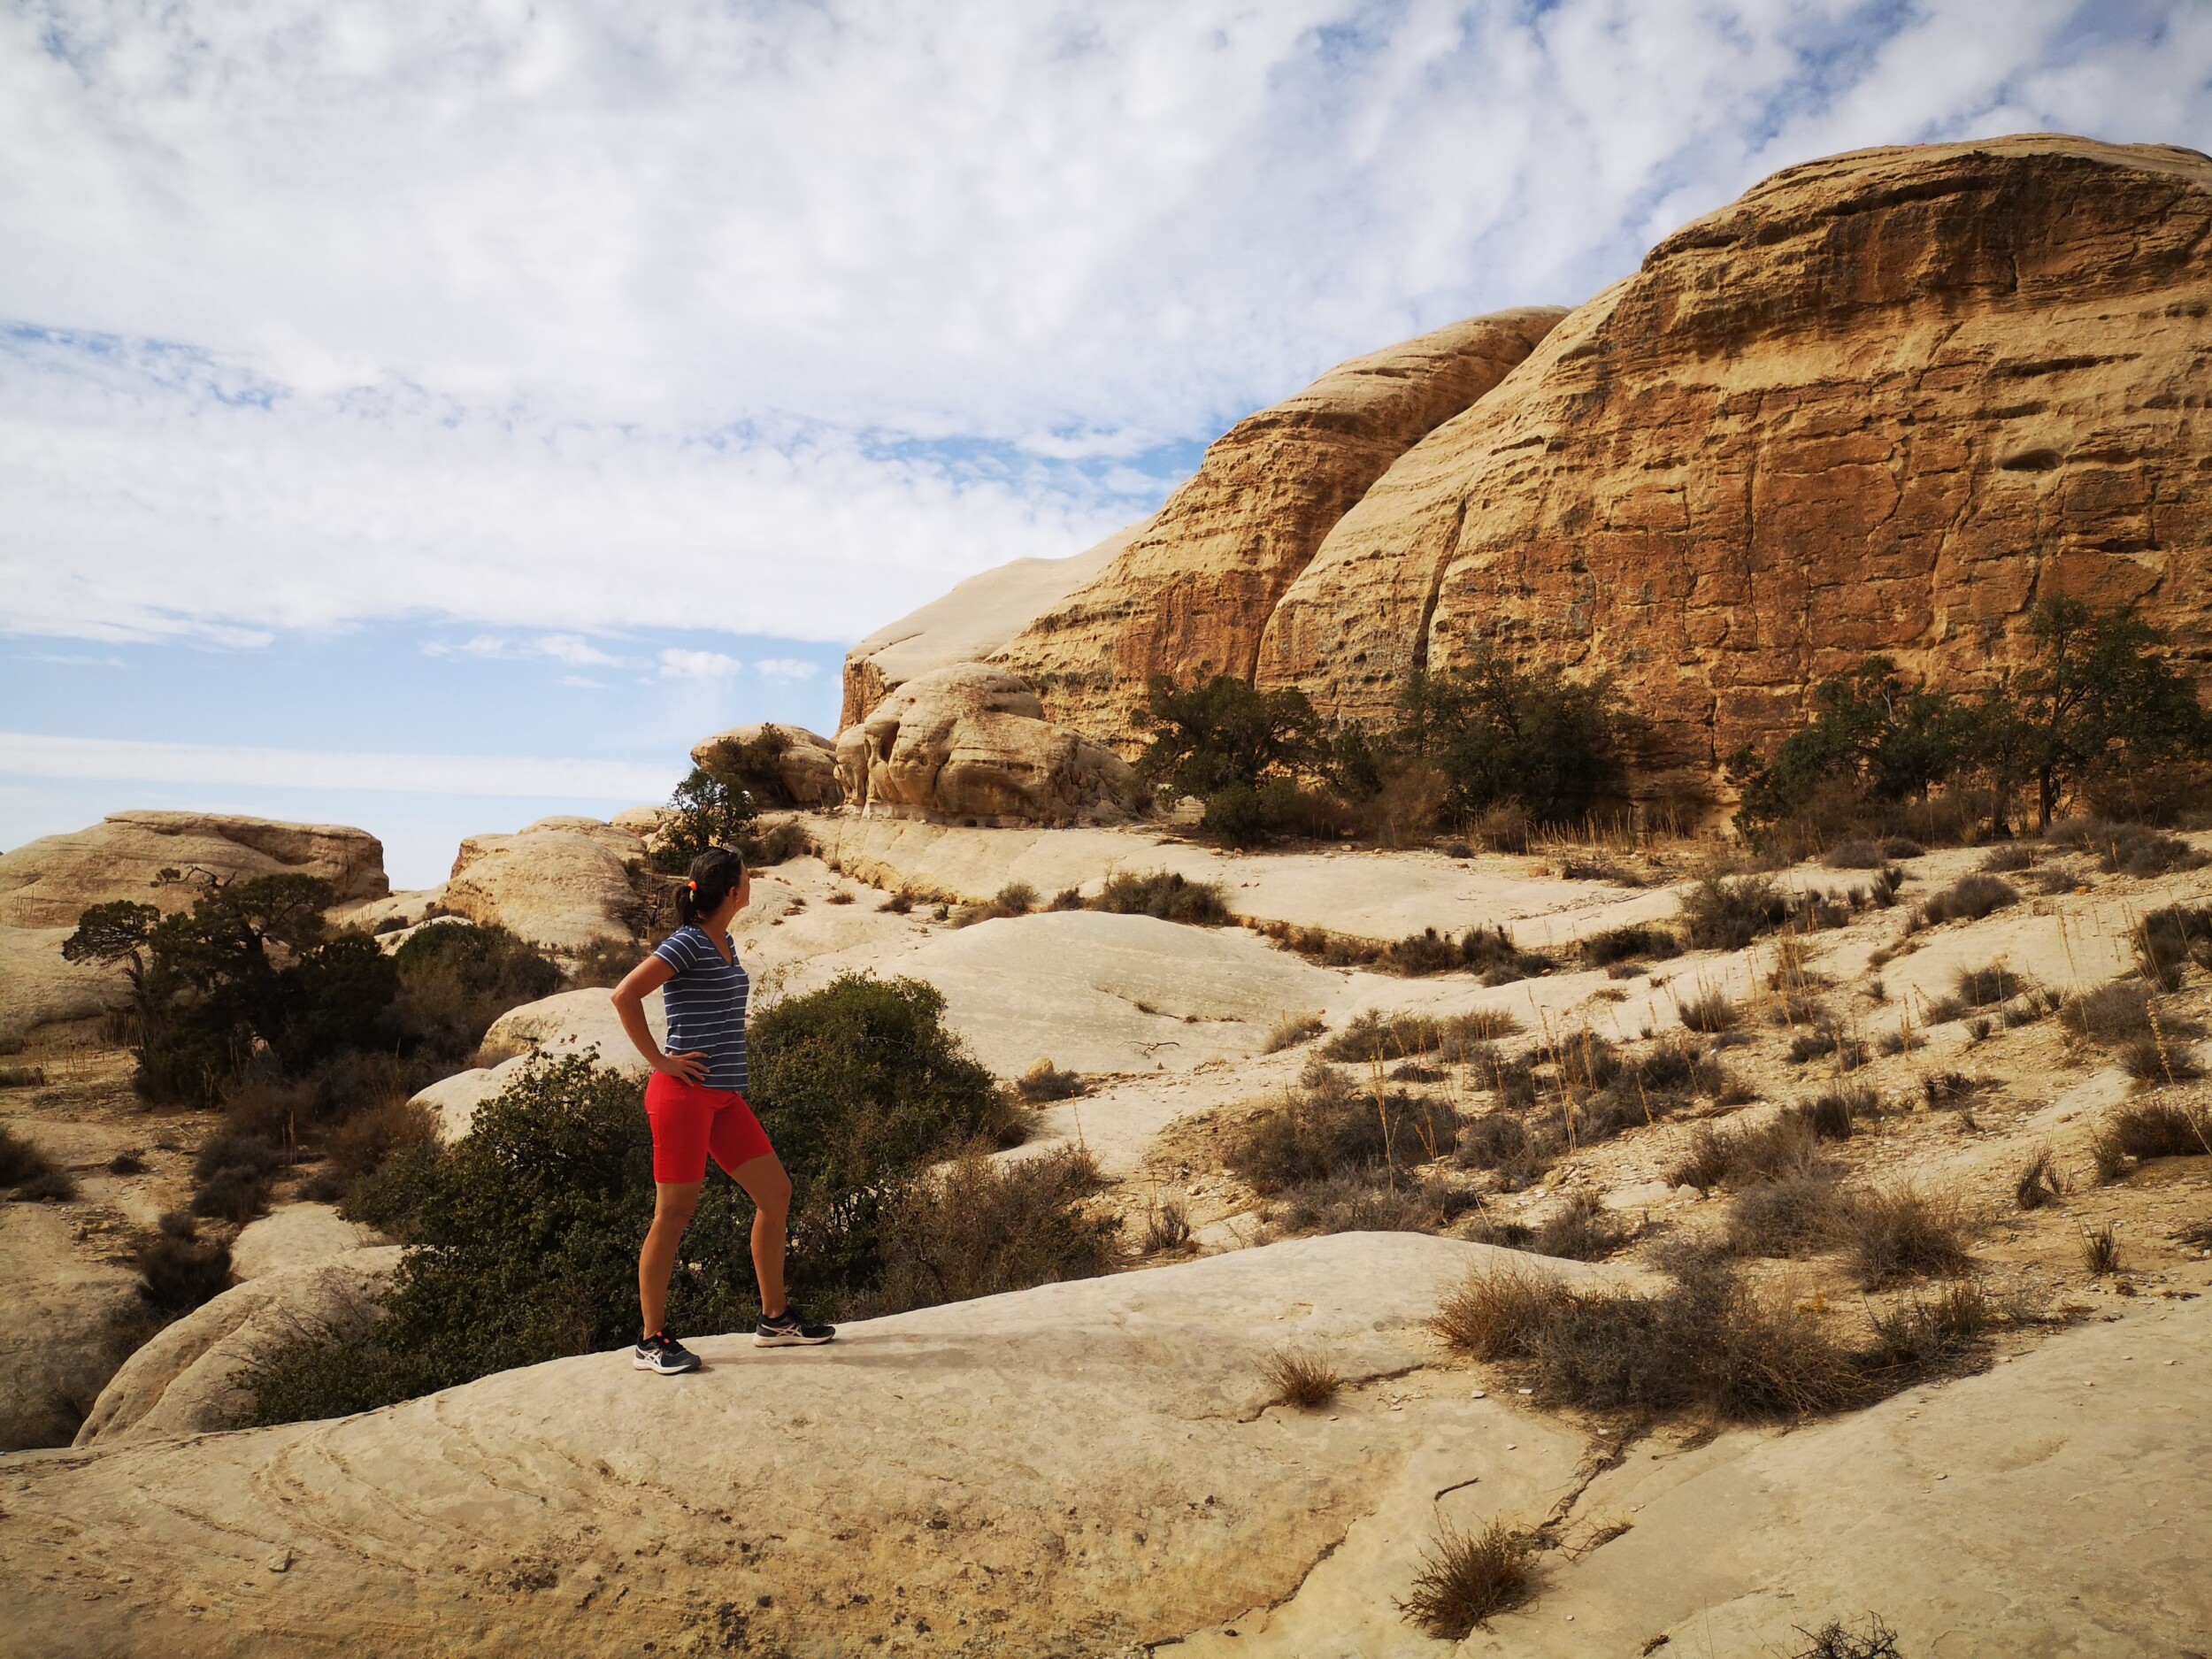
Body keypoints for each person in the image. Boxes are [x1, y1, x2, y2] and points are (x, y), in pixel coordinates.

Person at [610, 844, 833, 1373]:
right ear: (732, 891)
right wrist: (660, 1061)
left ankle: (774, 1320)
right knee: (674, 1214)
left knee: (776, 1193)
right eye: (747, 877)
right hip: (683, 1097)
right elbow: (624, 995)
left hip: (724, 1097)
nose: (752, 881)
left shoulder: (724, 939)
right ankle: (651, 1340)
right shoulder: (687, 943)